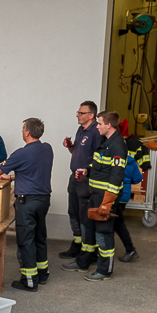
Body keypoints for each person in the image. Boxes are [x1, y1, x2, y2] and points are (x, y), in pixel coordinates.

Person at [0, 118, 54, 292]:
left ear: (27, 132)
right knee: (39, 237)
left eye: (23, 129)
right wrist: (14, 177)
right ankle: (42, 274)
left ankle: (29, 280)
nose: (22, 131)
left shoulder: (21, 153)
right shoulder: (47, 149)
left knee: (26, 240)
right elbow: (33, 171)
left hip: (27, 202)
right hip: (43, 200)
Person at [64, 110, 126, 282]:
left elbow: (117, 174)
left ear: (109, 125)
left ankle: (105, 270)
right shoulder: (105, 141)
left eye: (99, 123)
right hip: (95, 194)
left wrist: (108, 201)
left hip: (105, 197)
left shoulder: (117, 145)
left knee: (103, 233)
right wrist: (87, 170)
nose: (97, 126)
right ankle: (83, 262)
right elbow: (98, 163)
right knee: (88, 226)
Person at [59, 101, 101, 259]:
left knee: (84, 215)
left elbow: (99, 158)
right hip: (75, 176)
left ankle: (88, 250)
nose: (77, 115)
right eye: (78, 112)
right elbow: (79, 151)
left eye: (81, 113)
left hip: (86, 179)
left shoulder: (96, 132)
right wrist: (70, 147)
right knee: (73, 212)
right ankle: (77, 245)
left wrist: (87, 170)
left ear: (91, 115)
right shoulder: (81, 130)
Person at [115, 145, 143, 263]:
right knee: (116, 223)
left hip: (115, 194)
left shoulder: (114, 160)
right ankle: (130, 250)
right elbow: (138, 178)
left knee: (117, 224)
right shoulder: (131, 161)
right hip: (125, 196)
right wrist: (127, 182)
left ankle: (130, 249)